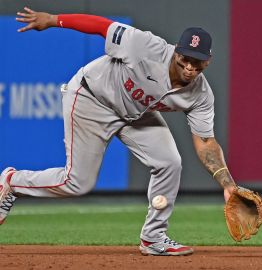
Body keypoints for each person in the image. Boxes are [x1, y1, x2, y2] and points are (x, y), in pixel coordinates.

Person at [0, 7, 237, 256]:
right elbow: (102, 26)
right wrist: (52, 20)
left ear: (208, 61)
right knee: (77, 183)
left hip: (133, 113)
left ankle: (153, 238)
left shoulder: (200, 95)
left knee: (169, 162)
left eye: (197, 61)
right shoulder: (145, 46)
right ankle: (12, 182)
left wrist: (227, 183)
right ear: (176, 50)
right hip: (91, 99)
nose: (189, 66)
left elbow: (206, 142)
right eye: (185, 57)